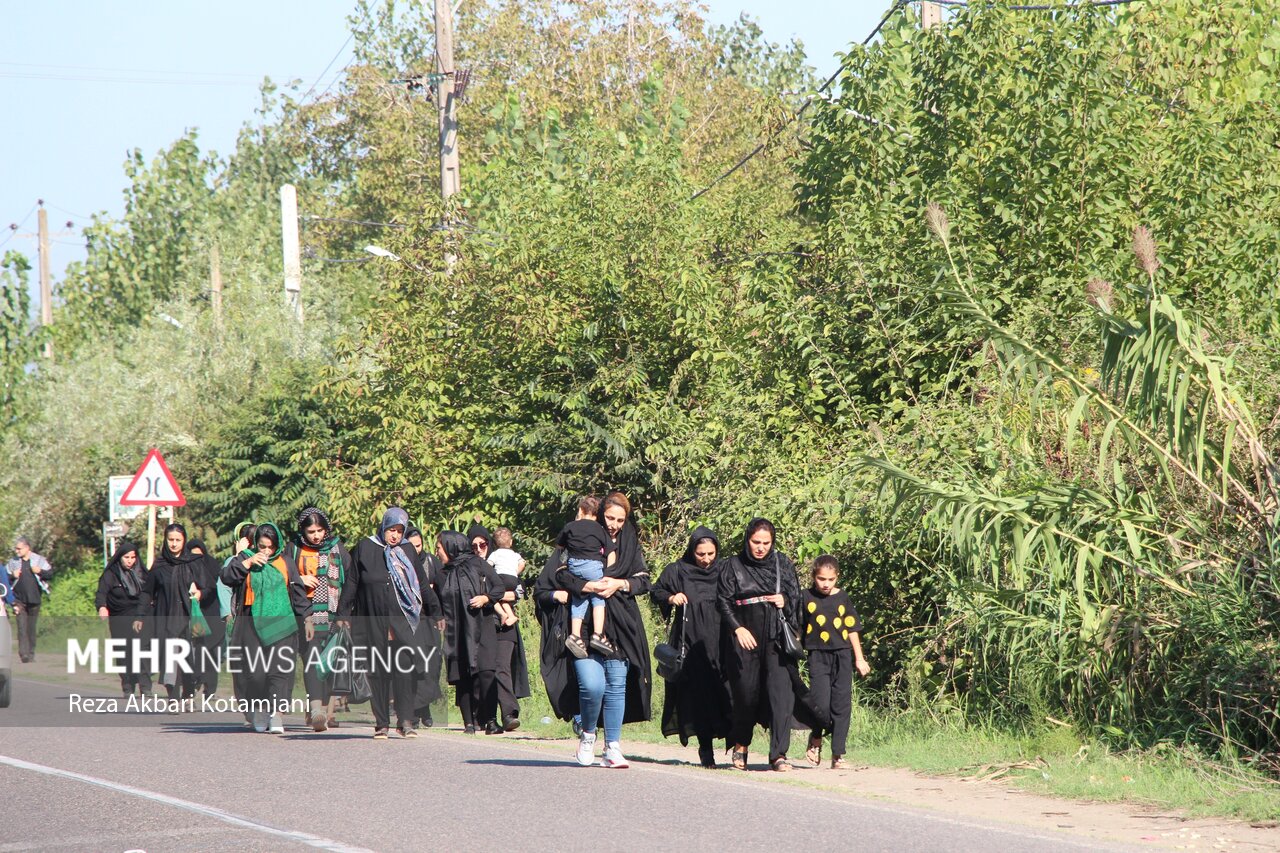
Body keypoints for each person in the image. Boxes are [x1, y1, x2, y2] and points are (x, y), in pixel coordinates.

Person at [554, 491, 652, 769]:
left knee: (616, 685)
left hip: (620, 624)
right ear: (600, 515)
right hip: (584, 623)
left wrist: (619, 584)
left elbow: (644, 580)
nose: (614, 525)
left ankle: (612, 748)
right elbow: (559, 572)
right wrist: (586, 586)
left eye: (620, 520)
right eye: (610, 518)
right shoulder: (581, 536)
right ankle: (587, 736)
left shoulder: (630, 541)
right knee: (592, 685)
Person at [717, 518, 814, 772]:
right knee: (745, 694)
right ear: (747, 540)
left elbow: (795, 597)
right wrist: (737, 628)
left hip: (776, 638)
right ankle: (741, 743)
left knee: (781, 695)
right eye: (756, 542)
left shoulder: (782, 563)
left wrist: (785, 600)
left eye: (766, 543)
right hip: (745, 637)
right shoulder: (732, 565)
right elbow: (723, 601)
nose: (760, 548)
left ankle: (778, 755)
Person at [338, 508, 441, 739]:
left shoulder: (407, 549)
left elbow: (421, 582)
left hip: (403, 622)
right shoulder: (365, 547)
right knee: (378, 672)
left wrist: (436, 612)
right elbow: (352, 582)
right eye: (391, 530)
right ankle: (382, 723)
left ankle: (405, 721)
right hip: (372, 620)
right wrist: (343, 613)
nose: (394, 535)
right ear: (383, 527)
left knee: (404, 671)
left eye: (399, 531)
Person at [651, 526, 732, 768]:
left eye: (710, 553)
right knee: (699, 697)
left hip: (722, 643)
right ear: (691, 551)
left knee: (729, 693)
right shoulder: (678, 570)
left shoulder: (725, 570)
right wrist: (671, 598)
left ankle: (738, 748)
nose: (706, 559)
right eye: (700, 554)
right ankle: (706, 750)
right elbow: (656, 590)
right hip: (690, 644)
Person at [222, 522, 310, 733]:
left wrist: (307, 619)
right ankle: (260, 708)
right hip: (250, 622)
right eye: (262, 546)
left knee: (279, 670)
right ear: (256, 544)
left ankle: (277, 714)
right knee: (256, 672)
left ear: (277, 545)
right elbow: (227, 577)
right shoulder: (245, 558)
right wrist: (248, 562)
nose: (267, 551)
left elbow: (298, 592)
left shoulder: (286, 563)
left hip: (281, 623)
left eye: (271, 547)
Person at [802, 555, 870, 770]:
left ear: (837, 577)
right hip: (817, 656)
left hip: (842, 655)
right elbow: (797, 626)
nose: (826, 584)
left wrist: (859, 658)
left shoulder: (842, 597)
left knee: (841, 706)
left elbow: (852, 627)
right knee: (820, 704)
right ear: (814, 576)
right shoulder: (805, 597)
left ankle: (838, 755)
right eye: (821, 579)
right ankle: (816, 738)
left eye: (831, 579)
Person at [287, 507, 351, 732]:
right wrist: (299, 578)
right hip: (305, 614)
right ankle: (316, 711)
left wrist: (345, 614)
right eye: (311, 531)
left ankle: (323, 710)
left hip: (333, 615)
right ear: (302, 531)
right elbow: (282, 574)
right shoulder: (294, 549)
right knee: (312, 660)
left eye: (319, 530)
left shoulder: (337, 548)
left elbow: (350, 580)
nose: (316, 536)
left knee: (329, 663)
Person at [438, 530, 505, 734]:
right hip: (457, 629)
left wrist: (485, 598)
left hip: (482, 625)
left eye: (439, 548)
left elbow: (499, 587)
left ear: (451, 547)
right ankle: (469, 722)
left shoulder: (478, 564)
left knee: (487, 672)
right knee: (462, 675)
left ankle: (490, 720)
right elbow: (436, 602)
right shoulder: (442, 574)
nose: (437, 552)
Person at [137, 524, 211, 703]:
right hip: (166, 619)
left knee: (189, 661)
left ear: (184, 540)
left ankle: (188, 692)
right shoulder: (159, 565)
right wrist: (140, 615)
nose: (174, 544)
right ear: (165, 540)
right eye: (171, 540)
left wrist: (200, 593)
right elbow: (147, 592)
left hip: (189, 619)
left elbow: (209, 587)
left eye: (178, 540)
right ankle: (173, 698)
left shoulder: (194, 563)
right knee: (169, 660)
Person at [555, 503, 616, 659]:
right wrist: (609, 574)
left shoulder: (570, 526)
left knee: (579, 597)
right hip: (593, 566)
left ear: (581, 510)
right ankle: (598, 634)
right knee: (598, 599)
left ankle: (575, 635)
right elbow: (611, 551)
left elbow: (559, 544)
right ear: (597, 514)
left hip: (573, 566)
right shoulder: (599, 529)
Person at [95, 540, 152, 698]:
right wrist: (102, 607)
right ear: (120, 557)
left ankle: (145, 686)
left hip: (140, 615)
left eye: (133, 557)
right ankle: (128, 685)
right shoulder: (111, 575)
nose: (130, 561)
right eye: (126, 557)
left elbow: (151, 591)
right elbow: (101, 593)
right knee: (123, 652)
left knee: (143, 650)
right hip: (119, 617)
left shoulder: (142, 573)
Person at [405, 525, 446, 728]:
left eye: (419, 545)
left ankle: (424, 707)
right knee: (413, 665)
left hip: (429, 620)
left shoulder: (431, 562)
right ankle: (413, 711)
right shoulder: (398, 563)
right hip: (408, 622)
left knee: (431, 665)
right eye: (411, 546)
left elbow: (444, 589)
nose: (416, 550)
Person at [187, 538, 225, 698]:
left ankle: (210, 689)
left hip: (212, 613)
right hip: (194, 614)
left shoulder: (213, 566)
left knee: (212, 653)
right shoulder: (184, 569)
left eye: (199, 556)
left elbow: (215, 586)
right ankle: (195, 681)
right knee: (197, 650)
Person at [8, 537, 52, 663]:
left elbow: (50, 574)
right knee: (22, 627)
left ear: (27, 548)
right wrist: (12, 575)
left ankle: (31, 653)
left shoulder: (39, 560)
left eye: (19, 548)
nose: (17, 551)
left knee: (31, 628)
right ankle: (24, 654)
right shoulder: (13, 562)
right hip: (19, 600)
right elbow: (4, 578)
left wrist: (40, 571)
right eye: (16, 548)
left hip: (34, 599)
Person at [487, 527, 523, 628]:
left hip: (501, 578)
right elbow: (522, 563)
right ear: (511, 542)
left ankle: (502, 613)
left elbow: (488, 565)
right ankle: (511, 616)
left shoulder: (495, 554)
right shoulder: (515, 554)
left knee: (491, 596)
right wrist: (515, 572)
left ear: (495, 544)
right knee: (504, 599)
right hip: (513, 580)